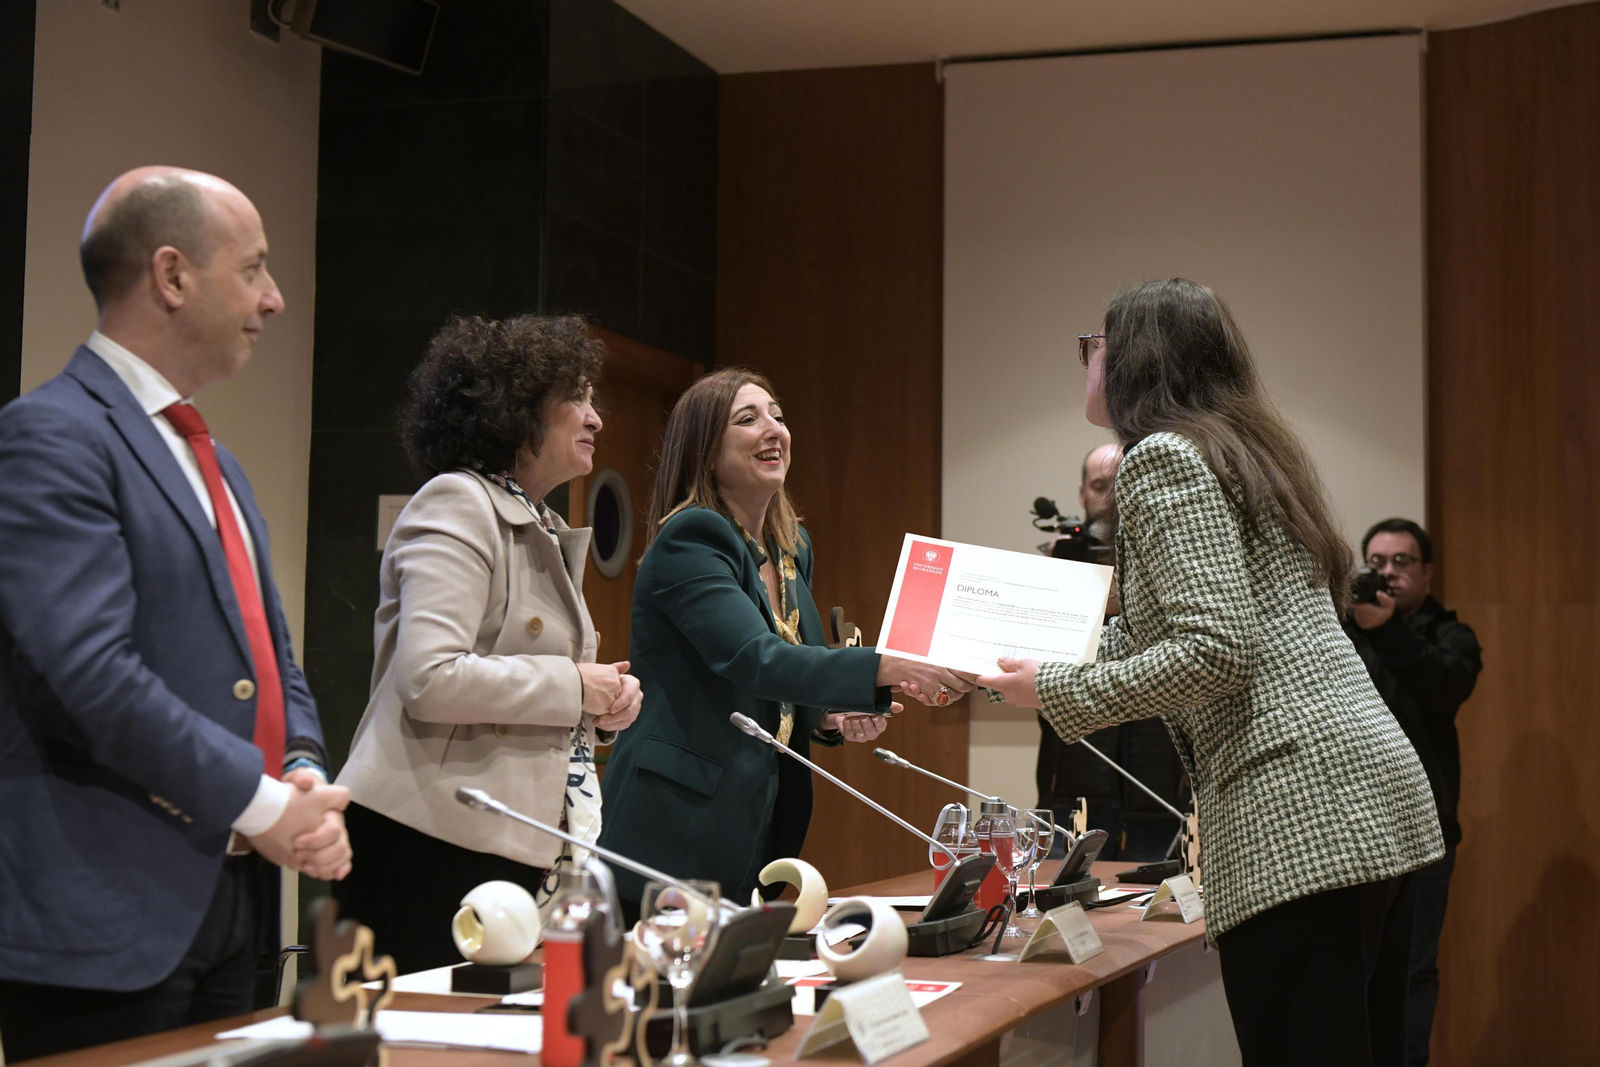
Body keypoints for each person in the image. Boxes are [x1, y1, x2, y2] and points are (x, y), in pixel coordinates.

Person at [979, 278, 1443, 1067]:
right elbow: (1194, 628)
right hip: (1374, 798)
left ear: (1132, 361)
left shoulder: (1159, 458)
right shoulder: (1250, 451)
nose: (1086, 361)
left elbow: (1213, 652)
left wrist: (1052, 689)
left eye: (1095, 344)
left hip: (1300, 815)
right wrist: (1041, 658)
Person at [0, 168, 351, 1062]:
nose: (274, 299)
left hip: (233, 904)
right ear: (171, 275)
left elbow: (270, 652)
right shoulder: (50, 434)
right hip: (105, 912)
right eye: (255, 269)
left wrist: (302, 770)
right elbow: (89, 672)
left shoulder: (216, 459)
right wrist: (261, 796)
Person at [597, 368, 972, 913]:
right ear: (704, 450)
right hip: (673, 825)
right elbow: (754, 658)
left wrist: (830, 715)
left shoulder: (792, 547)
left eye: (777, 414)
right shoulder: (692, 537)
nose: (773, 429)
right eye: (748, 419)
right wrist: (889, 665)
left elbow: (786, 675)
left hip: (757, 818)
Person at [333, 314, 642, 974]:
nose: (596, 418)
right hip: (424, 839)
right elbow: (432, 677)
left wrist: (601, 703)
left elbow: (535, 683)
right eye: (579, 397)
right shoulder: (457, 503)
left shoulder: (540, 520)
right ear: (520, 405)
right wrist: (574, 685)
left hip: (504, 838)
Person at [1345, 518, 1481, 1067]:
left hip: (1427, 834)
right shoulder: (1344, 633)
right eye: (1377, 562)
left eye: (1402, 562)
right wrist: (1361, 626)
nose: (1389, 574)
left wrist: (1386, 630)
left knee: (1414, 970)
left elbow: (1441, 686)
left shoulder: (1451, 635)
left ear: (1426, 571)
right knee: (1355, 973)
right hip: (1353, 831)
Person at [1034, 443, 1189, 860]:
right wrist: (1058, 584)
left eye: (1121, 484)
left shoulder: (1171, 550)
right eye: (1101, 485)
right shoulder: (1064, 557)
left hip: (1158, 779)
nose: (1111, 496)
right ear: (1082, 493)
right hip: (1073, 781)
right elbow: (1034, 658)